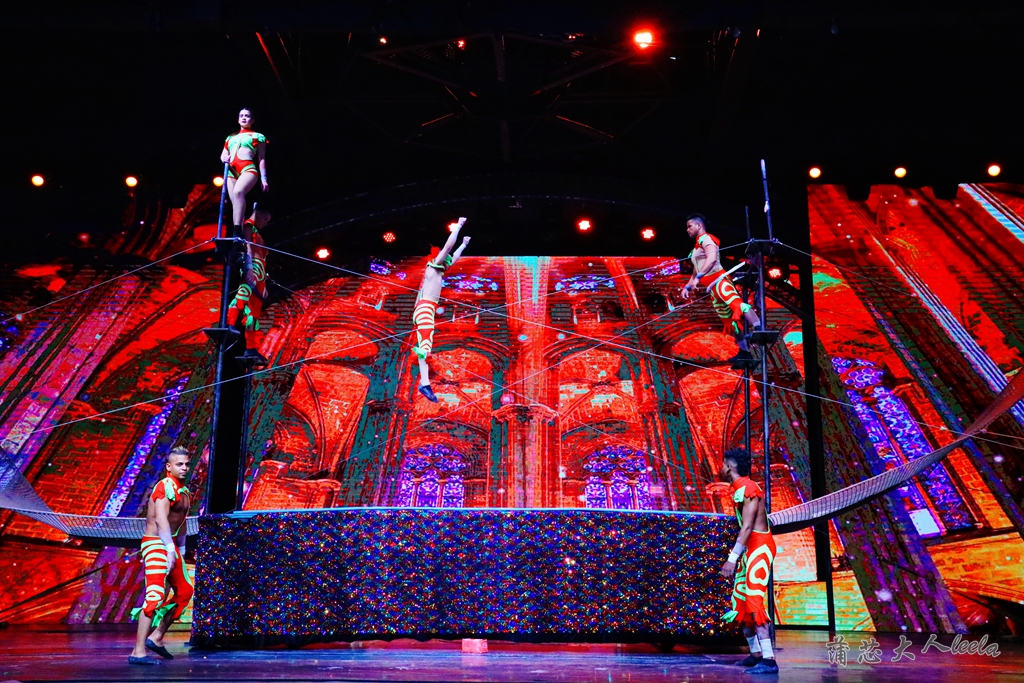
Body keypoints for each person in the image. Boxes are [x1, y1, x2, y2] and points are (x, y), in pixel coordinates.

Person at [128, 447, 194, 665]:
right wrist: (169, 549)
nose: (184, 468)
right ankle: (138, 652)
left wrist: (180, 550)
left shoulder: (185, 492)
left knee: (185, 591)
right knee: (155, 596)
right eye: (179, 464)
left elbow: (181, 523)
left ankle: (156, 637)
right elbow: (161, 520)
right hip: (156, 543)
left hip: (170, 544)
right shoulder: (164, 487)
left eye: (186, 464)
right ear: (169, 466)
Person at [718, 447, 779, 675]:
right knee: (741, 602)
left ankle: (769, 660)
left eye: (723, 464)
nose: (721, 468)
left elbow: (747, 526)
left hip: (760, 548)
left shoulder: (749, 488)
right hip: (749, 550)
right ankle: (756, 654)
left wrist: (732, 558)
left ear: (729, 467)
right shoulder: (739, 489)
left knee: (754, 600)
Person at [681, 214, 760, 363]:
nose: (687, 230)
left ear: (699, 225)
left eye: (689, 226)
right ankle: (744, 351)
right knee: (730, 322)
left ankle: (759, 329)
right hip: (712, 289)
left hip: (720, 282)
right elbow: (695, 272)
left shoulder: (707, 239)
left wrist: (698, 278)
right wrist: (688, 286)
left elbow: (711, 260)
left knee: (738, 306)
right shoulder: (695, 249)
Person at [413, 217, 470, 403]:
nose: (448, 263)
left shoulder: (439, 271)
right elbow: (447, 248)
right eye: (445, 260)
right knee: (425, 346)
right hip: (425, 308)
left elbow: (453, 258)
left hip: (427, 308)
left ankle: (425, 383)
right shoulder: (432, 269)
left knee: (425, 346)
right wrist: (458, 226)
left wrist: (463, 245)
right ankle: (424, 384)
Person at [230, 206, 271, 365]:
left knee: (253, 313)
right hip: (253, 266)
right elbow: (247, 248)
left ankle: (251, 347)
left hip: (260, 272)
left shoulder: (257, 231)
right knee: (242, 295)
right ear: (258, 213)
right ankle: (229, 323)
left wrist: (263, 284)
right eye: (265, 219)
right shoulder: (248, 226)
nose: (265, 223)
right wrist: (248, 268)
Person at [219, 108, 268, 235]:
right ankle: (238, 234)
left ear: (253, 120)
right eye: (241, 116)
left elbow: (261, 158)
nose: (244, 118)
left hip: (248, 169)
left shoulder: (257, 136)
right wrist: (224, 158)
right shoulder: (230, 137)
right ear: (238, 119)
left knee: (238, 192)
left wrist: (264, 179)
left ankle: (237, 231)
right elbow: (223, 155)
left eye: (247, 116)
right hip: (231, 171)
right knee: (235, 202)